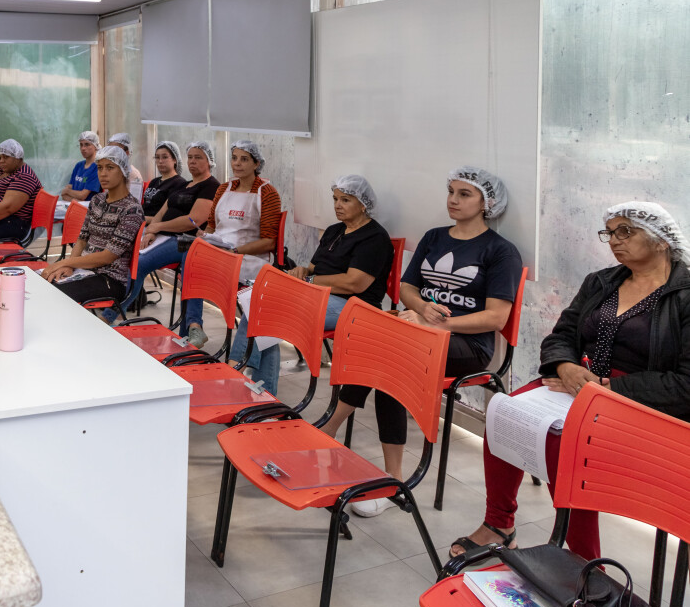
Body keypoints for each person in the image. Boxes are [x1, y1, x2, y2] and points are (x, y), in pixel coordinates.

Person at [450, 201, 690, 562]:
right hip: (578, 383)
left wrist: (609, 389)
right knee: (504, 411)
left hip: (646, 404)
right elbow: (561, 334)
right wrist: (564, 366)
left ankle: (583, 560)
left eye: (625, 231)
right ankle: (499, 523)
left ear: (661, 240)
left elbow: (684, 384)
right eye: (609, 232)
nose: (614, 241)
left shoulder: (684, 296)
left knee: (563, 443)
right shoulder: (602, 281)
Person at [328, 166, 523, 518]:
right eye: (451, 191)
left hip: (470, 346)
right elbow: (406, 288)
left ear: (487, 203)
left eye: (465, 194)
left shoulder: (500, 251)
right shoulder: (434, 237)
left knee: (392, 359)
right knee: (371, 338)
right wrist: (420, 310)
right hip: (418, 332)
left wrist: (439, 325)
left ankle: (389, 477)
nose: (453, 199)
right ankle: (337, 430)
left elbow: (496, 318)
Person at [228, 175, 393, 395]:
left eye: (345, 200)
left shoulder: (375, 238)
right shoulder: (335, 230)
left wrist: (308, 280)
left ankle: (236, 374)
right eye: (335, 199)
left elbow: (354, 283)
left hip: (355, 307)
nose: (337, 205)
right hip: (317, 295)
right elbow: (314, 267)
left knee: (267, 312)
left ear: (363, 204)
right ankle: (256, 390)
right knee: (261, 305)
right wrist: (301, 271)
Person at [103, 141, 220, 323]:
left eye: (198, 158)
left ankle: (111, 315)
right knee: (124, 256)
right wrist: (151, 231)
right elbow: (161, 212)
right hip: (162, 236)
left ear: (209, 161)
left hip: (183, 240)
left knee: (138, 264)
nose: (192, 161)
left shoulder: (211, 186)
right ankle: (110, 303)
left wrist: (158, 227)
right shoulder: (186, 184)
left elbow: (194, 220)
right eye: (190, 157)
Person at [180, 140, 281, 348]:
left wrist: (235, 251)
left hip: (248, 259)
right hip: (220, 253)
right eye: (234, 158)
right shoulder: (223, 189)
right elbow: (211, 226)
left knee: (194, 266)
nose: (237, 164)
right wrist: (204, 237)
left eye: (244, 159)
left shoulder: (267, 193)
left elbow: (269, 242)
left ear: (256, 164)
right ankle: (194, 327)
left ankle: (196, 331)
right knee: (190, 259)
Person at [41, 146, 144, 305]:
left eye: (110, 168)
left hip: (110, 280)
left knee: (53, 296)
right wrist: (69, 267)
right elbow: (82, 239)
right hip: (84, 271)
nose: (103, 173)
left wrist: (64, 262)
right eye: (100, 168)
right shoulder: (97, 201)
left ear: (123, 170)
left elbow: (107, 256)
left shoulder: (132, 209)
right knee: (41, 283)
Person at [141, 140, 187, 220]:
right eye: (157, 157)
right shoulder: (154, 182)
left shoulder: (179, 184)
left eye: (165, 157)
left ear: (175, 160)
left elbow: (171, 218)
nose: (160, 161)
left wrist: (142, 219)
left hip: (160, 229)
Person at [60, 131, 101, 202]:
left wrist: (67, 191)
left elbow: (83, 195)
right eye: (81, 145)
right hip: (75, 207)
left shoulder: (97, 167)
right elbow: (65, 193)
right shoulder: (79, 166)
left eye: (87, 144)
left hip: (88, 209)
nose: (83, 148)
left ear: (96, 146)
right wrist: (76, 200)